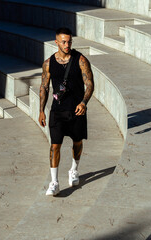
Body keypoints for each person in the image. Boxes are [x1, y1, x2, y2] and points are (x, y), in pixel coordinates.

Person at [39, 27, 94, 196]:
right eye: (63, 41)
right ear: (56, 42)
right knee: (55, 146)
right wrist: (41, 110)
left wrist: (84, 102)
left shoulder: (80, 60)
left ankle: (74, 169)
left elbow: (90, 84)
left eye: (69, 41)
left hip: (76, 110)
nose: (67, 44)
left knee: (77, 142)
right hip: (57, 111)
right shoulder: (48, 63)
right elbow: (44, 87)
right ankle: (54, 182)